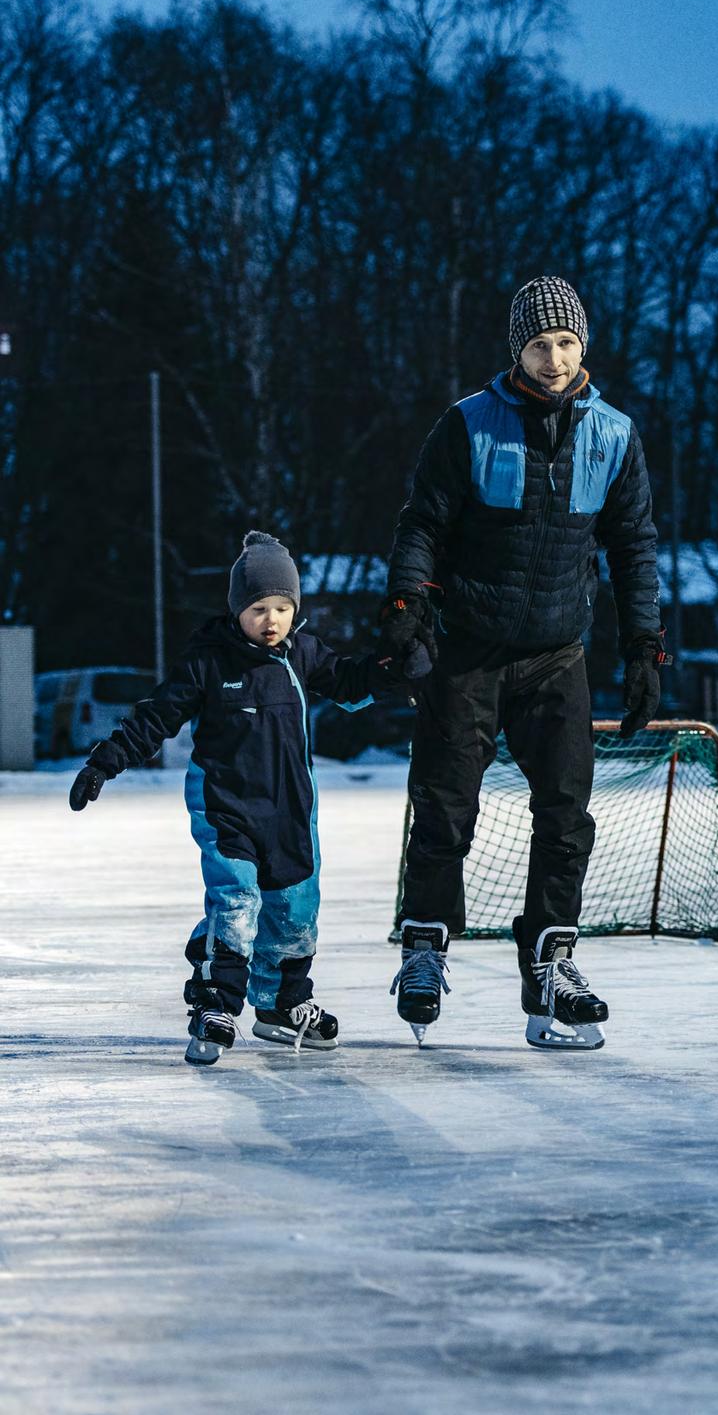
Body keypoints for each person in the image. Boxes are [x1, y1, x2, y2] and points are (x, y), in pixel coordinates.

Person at [379, 275, 667, 1050]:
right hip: (469, 652)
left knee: (567, 816)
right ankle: (425, 948)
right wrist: (408, 604)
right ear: (518, 349)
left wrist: (644, 644)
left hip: (555, 654)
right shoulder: (468, 425)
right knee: (443, 808)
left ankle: (550, 961)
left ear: (585, 347)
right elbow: (422, 524)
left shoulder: (613, 434)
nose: (552, 358)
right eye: (539, 344)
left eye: (566, 343)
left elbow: (634, 547)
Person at [69, 530, 419, 1065]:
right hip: (227, 807)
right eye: (259, 608)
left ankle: (280, 1005)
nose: (272, 620)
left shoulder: (301, 653)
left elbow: (348, 684)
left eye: (282, 607)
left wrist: (391, 671)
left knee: (295, 911)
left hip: (292, 810)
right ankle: (215, 1003)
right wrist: (105, 761)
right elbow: (157, 715)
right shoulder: (210, 660)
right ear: (238, 609)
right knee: (236, 904)